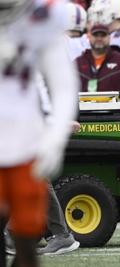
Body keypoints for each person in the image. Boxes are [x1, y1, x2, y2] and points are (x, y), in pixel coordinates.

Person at [0, 0, 79, 266]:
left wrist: (54, 135)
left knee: (25, 240)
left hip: (24, 139)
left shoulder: (43, 16)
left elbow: (62, 84)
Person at [75, 24, 120, 92]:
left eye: (103, 35)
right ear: (89, 37)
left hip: (113, 102)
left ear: (109, 38)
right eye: (95, 35)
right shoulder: (78, 62)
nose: (99, 39)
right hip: (83, 102)